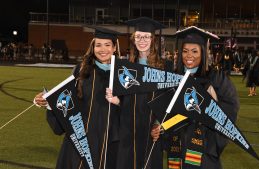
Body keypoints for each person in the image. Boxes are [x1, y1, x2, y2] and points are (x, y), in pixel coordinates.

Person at [151, 26, 239, 169]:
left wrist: (212, 141)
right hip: (177, 145)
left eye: (194, 51)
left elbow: (231, 108)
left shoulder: (215, 79)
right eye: (185, 51)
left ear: (203, 53)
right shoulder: (173, 78)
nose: (189, 56)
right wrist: (158, 125)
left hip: (204, 148)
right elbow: (164, 109)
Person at [33, 26, 121, 169]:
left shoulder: (122, 74)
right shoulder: (81, 71)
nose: (102, 49)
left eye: (107, 45)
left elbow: (131, 108)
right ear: (93, 47)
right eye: (98, 45)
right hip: (80, 139)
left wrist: (119, 101)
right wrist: (48, 102)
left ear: (114, 48)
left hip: (109, 141)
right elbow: (66, 100)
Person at [106, 17, 168, 169]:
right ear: (134, 39)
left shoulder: (165, 67)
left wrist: (159, 124)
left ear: (152, 39)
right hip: (129, 130)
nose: (142, 40)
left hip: (151, 130)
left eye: (146, 36)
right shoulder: (126, 66)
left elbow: (169, 100)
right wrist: (117, 101)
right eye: (138, 36)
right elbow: (124, 101)